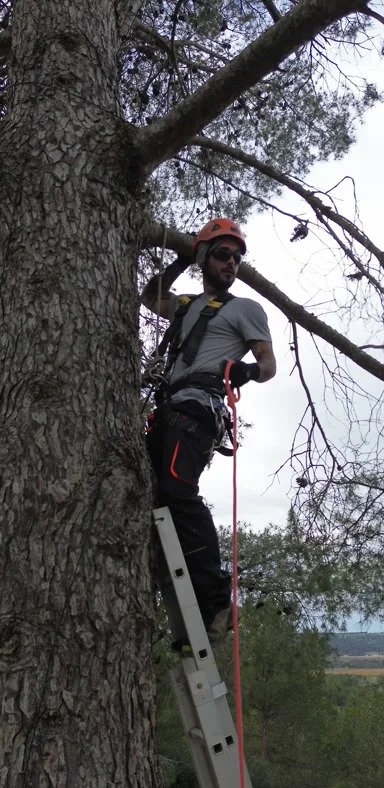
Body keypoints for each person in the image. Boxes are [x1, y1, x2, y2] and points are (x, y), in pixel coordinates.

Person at [141, 218, 276, 643]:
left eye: (237, 258)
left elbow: (269, 365)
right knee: (145, 493)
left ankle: (217, 601)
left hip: (199, 409)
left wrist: (246, 371)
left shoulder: (245, 309)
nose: (231, 263)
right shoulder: (184, 305)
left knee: (178, 492)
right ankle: (179, 598)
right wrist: (182, 256)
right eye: (222, 254)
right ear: (204, 257)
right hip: (168, 408)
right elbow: (150, 296)